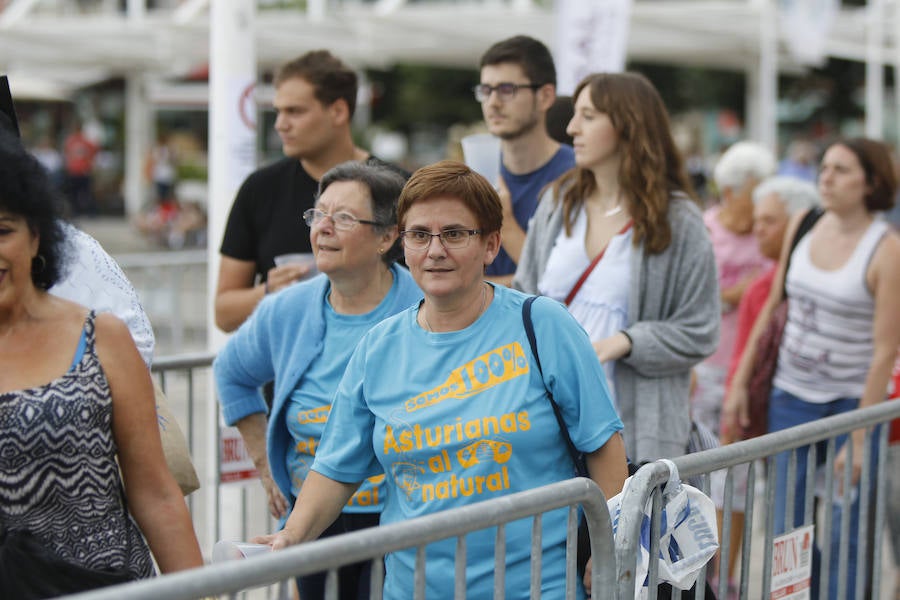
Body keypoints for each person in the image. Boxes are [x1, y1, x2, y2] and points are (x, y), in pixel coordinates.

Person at [258, 161, 628, 599]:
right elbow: (336, 469)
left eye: (454, 234)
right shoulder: (378, 348)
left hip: (536, 588)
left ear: (491, 245)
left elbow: (602, 444)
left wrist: (610, 551)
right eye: (419, 235)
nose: (435, 250)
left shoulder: (543, 325)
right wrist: (292, 535)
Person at [0, 129, 203, 595]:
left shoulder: (101, 337)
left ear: (37, 236)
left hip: (104, 585)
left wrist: (200, 592)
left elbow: (155, 494)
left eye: (3, 230)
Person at [214, 162, 421, 600]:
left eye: (343, 218)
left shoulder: (422, 309)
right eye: (318, 214)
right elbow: (231, 373)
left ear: (387, 237)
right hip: (309, 516)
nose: (323, 228)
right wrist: (266, 468)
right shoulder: (287, 308)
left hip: (399, 517)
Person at [512, 72, 720, 465]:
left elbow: (701, 329)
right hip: (547, 421)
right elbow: (522, 299)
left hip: (633, 433)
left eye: (588, 116)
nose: (572, 128)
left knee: (625, 527)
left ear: (628, 125)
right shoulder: (558, 203)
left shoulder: (678, 220)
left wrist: (626, 341)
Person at [725, 137, 900, 599]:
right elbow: (772, 306)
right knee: (787, 528)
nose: (826, 176)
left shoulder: (886, 249)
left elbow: (886, 349)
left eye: (841, 169)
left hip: (851, 403)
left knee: (847, 528)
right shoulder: (804, 222)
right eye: (824, 167)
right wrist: (741, 380)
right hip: (790, 396)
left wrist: (861, 436)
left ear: (872, 181)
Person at [216, 50, 401, 333]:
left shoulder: (400, 188)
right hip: (285, 373)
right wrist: (268, 292)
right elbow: (224, 314)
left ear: (338, 111)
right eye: (278, 111)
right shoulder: (260, 189)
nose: (280, 124)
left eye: (295, 111)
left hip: (380, 367)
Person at [716, 175, 819, 597]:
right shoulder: (764, 286)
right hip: (771, 419)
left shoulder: (798, 285)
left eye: (770, 221)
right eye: (756, 220)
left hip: (814, 410)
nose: (758, 229)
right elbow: (745, 353)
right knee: (787, 523)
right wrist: (733, 401)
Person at [476, 35, 575, 284]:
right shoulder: (474, 173)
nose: (493, 103)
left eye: (507, 90)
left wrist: (505, 225)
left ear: (545, 96)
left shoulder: (579, 176)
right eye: (486, 90)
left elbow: (562, 285)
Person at [693, 141, 775, 438]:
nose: (763, 204)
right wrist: (732, 295)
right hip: (706, 364)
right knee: (701, 453)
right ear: (729, 192)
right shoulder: (703, 230)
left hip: (752, 367)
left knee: (741, 464)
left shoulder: (768, 232)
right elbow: (685, 297)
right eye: (756, 195)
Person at [62, 119, 99, 217]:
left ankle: (81, 211)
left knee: (81, 193)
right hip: (79, 170)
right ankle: (82, 211)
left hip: (79, 170)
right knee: (82, 193)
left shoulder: (72, 141)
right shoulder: (82, 141)